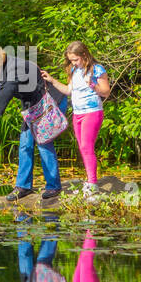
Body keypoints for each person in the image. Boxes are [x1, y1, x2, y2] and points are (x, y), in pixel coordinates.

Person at [0, 45, 67, 202]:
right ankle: (23, 187)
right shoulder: (5, 69)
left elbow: (8, 91)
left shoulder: (14, 68)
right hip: (33, 105)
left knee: (43, 142)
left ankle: (54, 186)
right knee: (25, 144)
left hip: (49, 101)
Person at [41, 41, 110, 188]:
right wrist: (51, 80)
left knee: (86, 146)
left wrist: (93, 85)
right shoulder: (74, 70)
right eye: (71, 60)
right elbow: (68, 90)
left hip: (92, 112)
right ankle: (89, 179)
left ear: (84, 55)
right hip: (77, 114)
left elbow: (105, 92)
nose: (73, 63)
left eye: (75, 60)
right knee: (82, 147)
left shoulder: (97, 69)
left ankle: (92, 183)